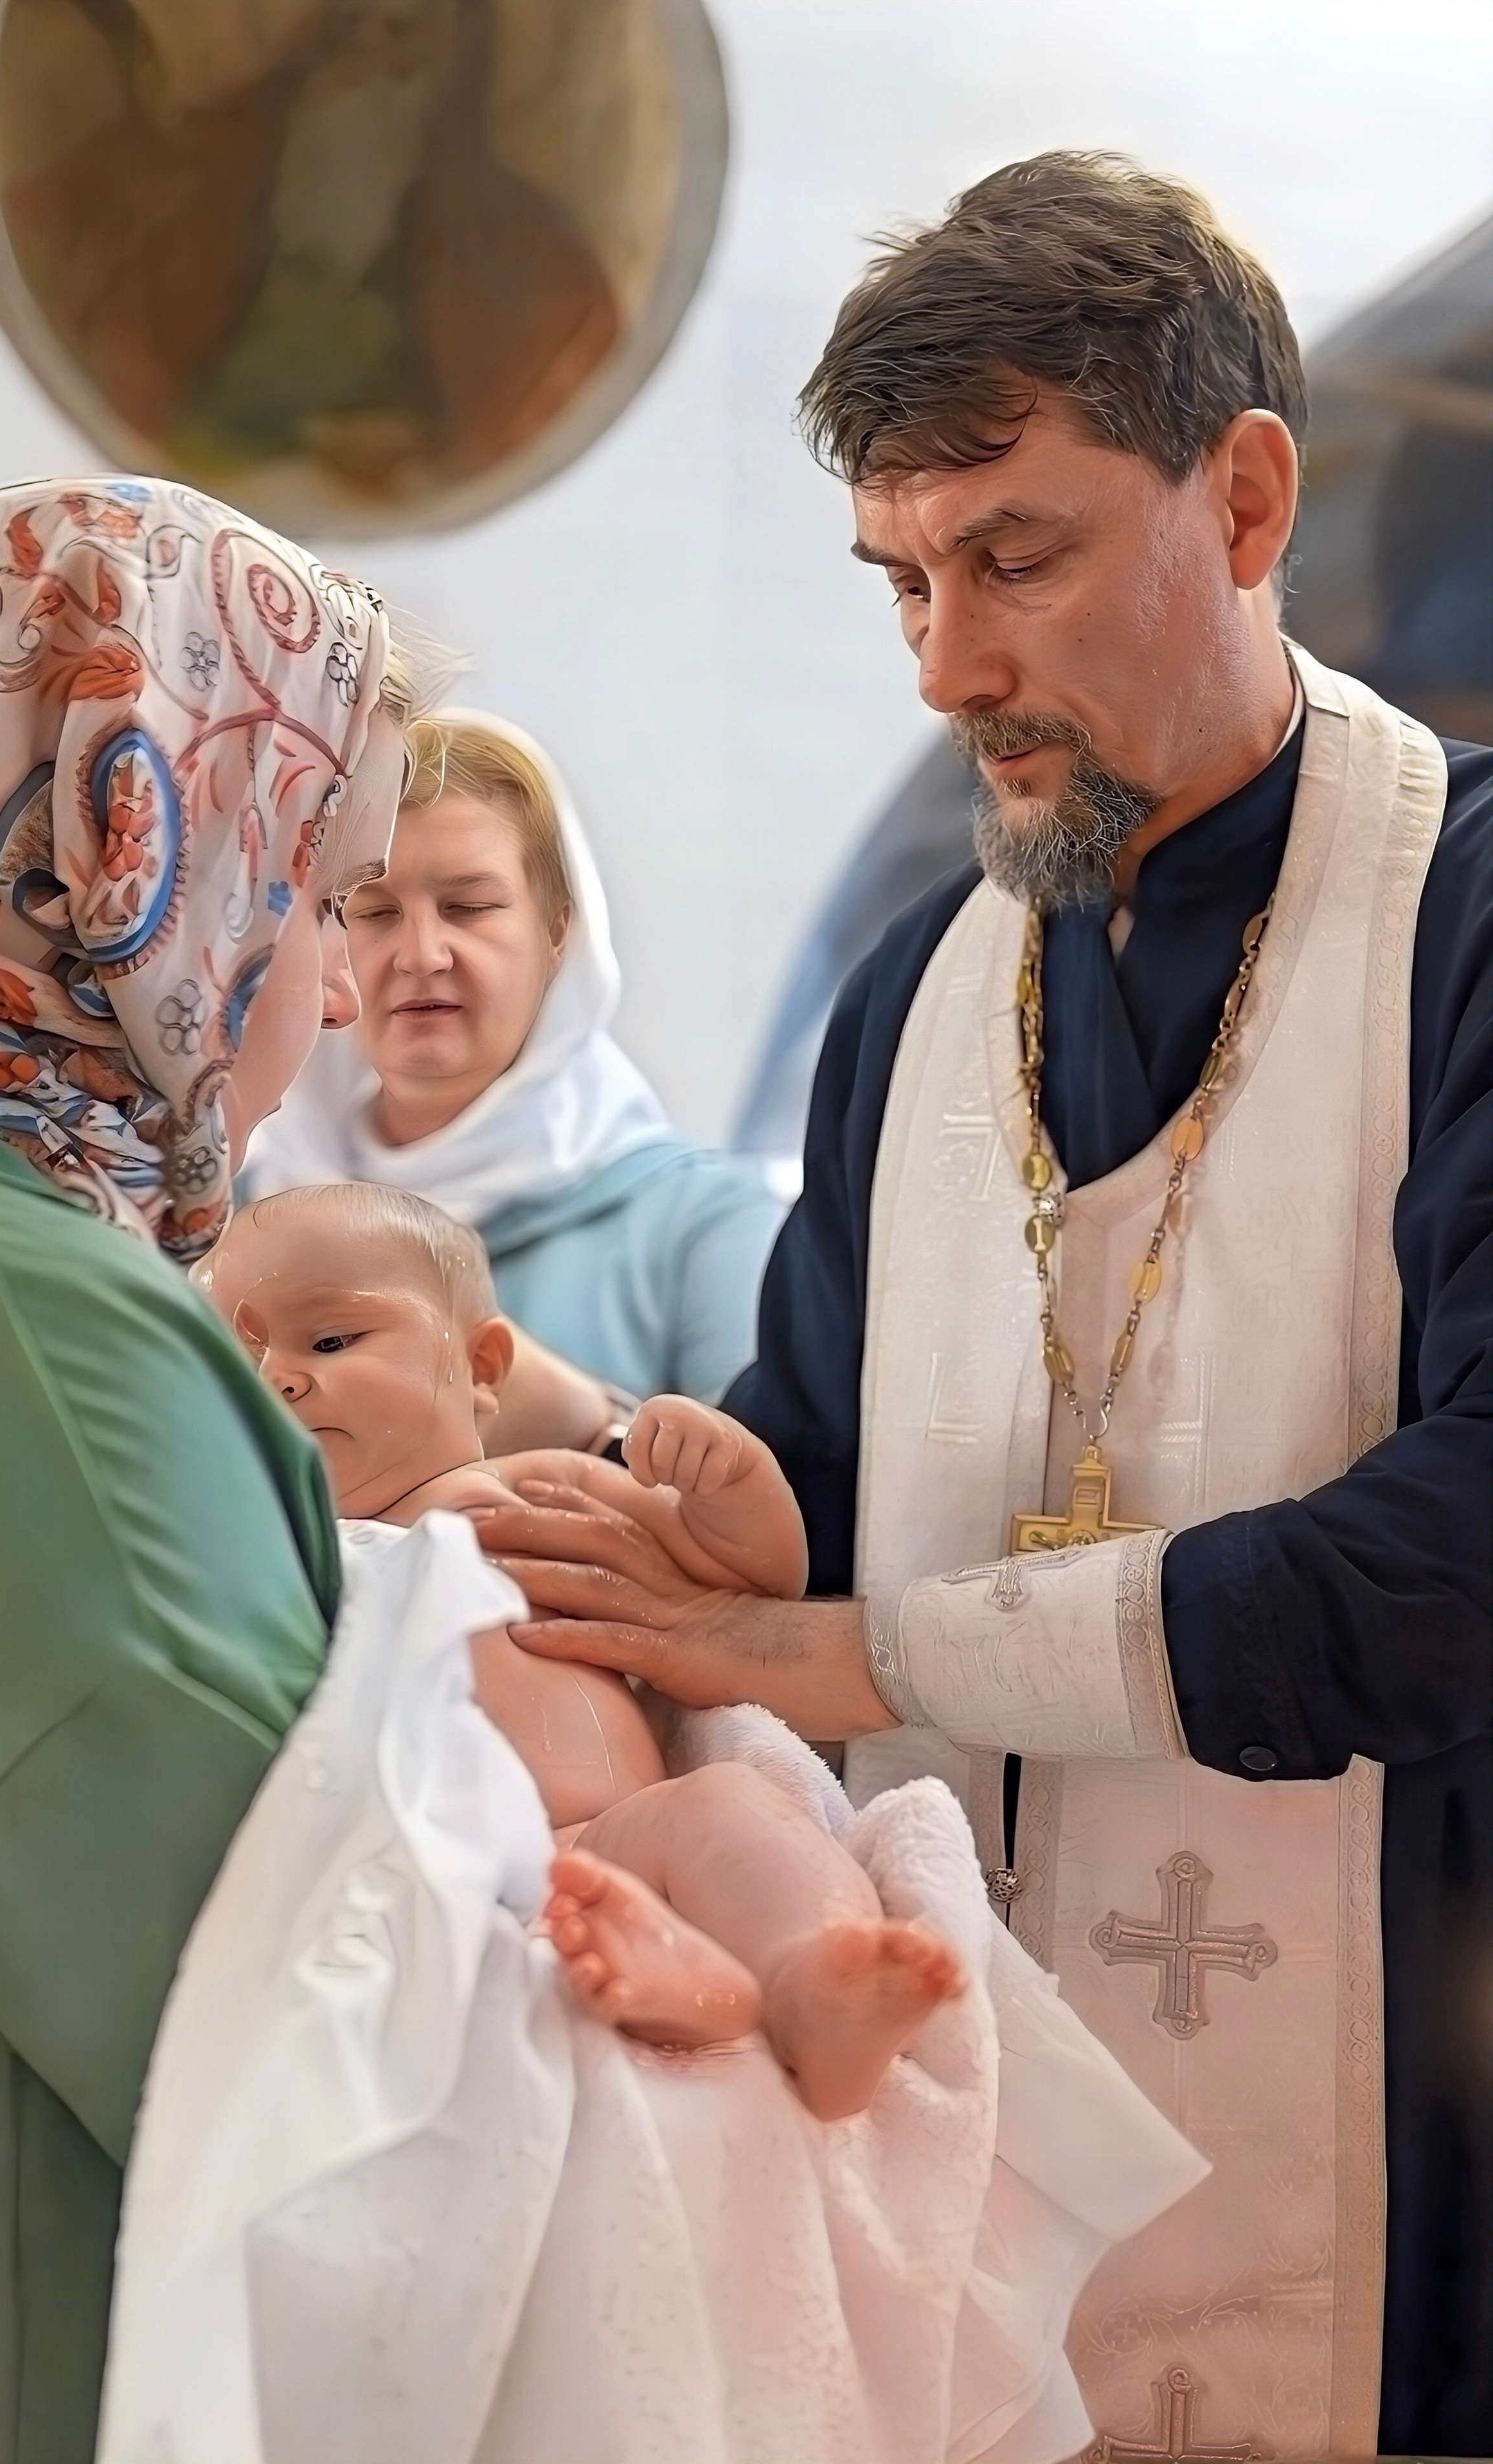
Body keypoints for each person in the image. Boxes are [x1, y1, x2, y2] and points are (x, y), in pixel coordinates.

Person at [467, 155, 1493, 2461]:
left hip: (1410, 2154)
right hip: (962, 2166)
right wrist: (708, 1504)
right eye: (900, 582)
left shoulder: (1461, 921)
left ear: (1242, 496)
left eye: (1011, 556)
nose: (946, 666)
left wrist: (883, 1643)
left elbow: (1460, 1549)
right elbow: (808, 1524)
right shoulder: (904, 1003)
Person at [0, 477, 411, 2464]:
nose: (339, 990)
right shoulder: (10, 1321)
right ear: (131, 858)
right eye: (320, 892)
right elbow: (315, 2046)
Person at [201, 1180, 963, 2119]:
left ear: (481, 1365)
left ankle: (812, 1978)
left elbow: (750, 1579)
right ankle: (688, 1986)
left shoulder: (532, 1490)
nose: (278, 1377)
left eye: (329, 1341)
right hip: (420, 1878)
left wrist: (730, 1480)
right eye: (234, 1365)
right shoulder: (268, 1560)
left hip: (603, 1833)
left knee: (733, 1808)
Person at [245, 709, 783, 1423]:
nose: (421, 955)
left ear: (560, 930)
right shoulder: (245, 1214)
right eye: (371, 911)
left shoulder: (703, 1227)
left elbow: (777, 1515)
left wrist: (586, 1424)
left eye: (468, 907)